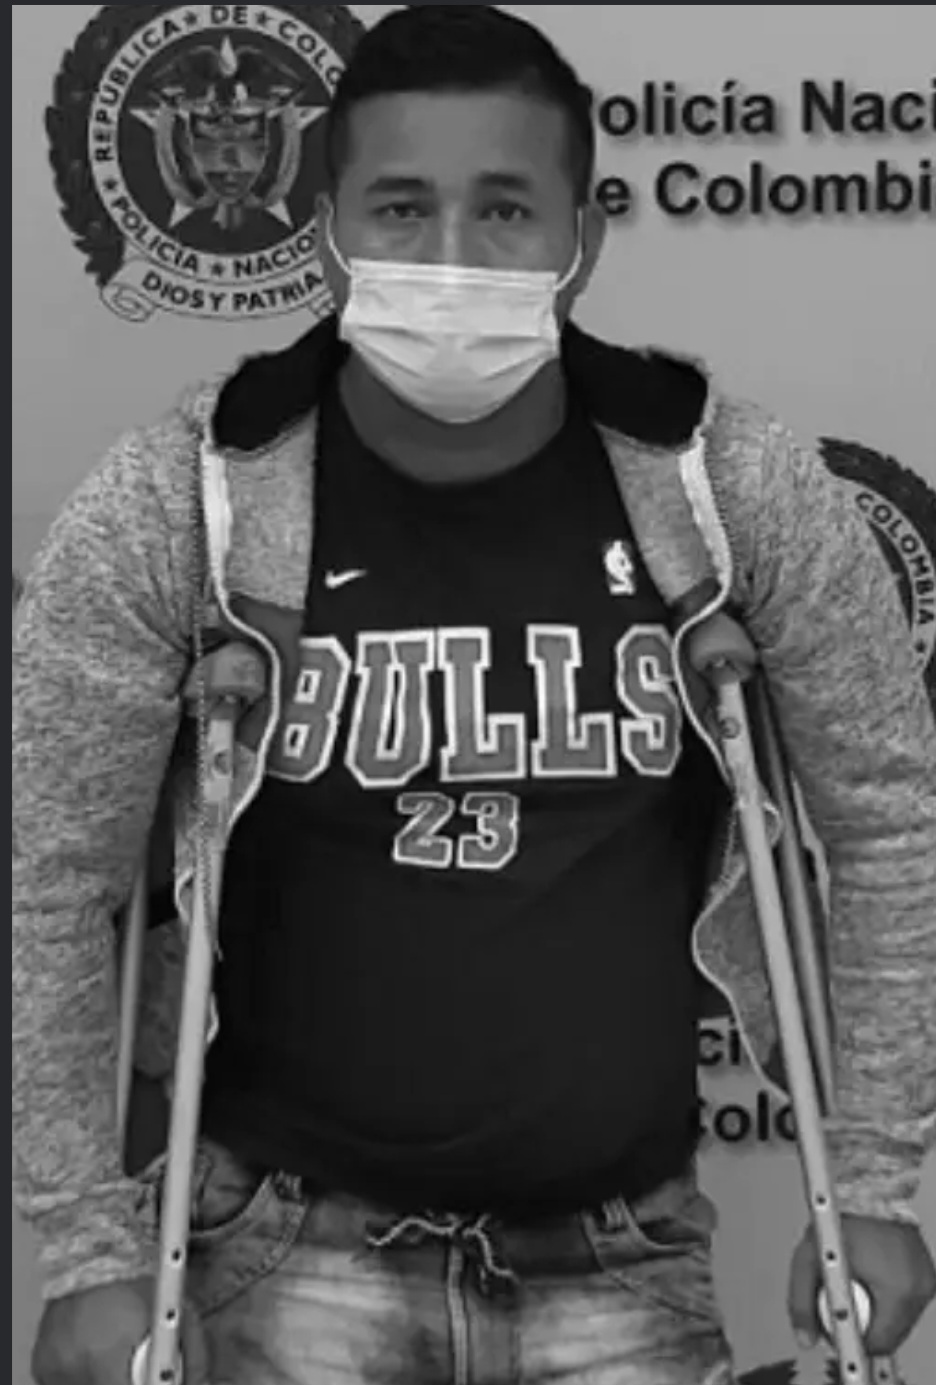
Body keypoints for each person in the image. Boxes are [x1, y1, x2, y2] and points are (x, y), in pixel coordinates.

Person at [13, 7, 936, 1384]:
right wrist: (88, 1247)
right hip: (280, 1254)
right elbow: (47, 874)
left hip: (626, 1255)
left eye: (505, 209)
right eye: (401, 208)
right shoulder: (182, 502)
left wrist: (871, 1175)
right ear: (328, 232)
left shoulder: (727, 489)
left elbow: (887, 818)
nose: (449, 258)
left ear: (584, 238)